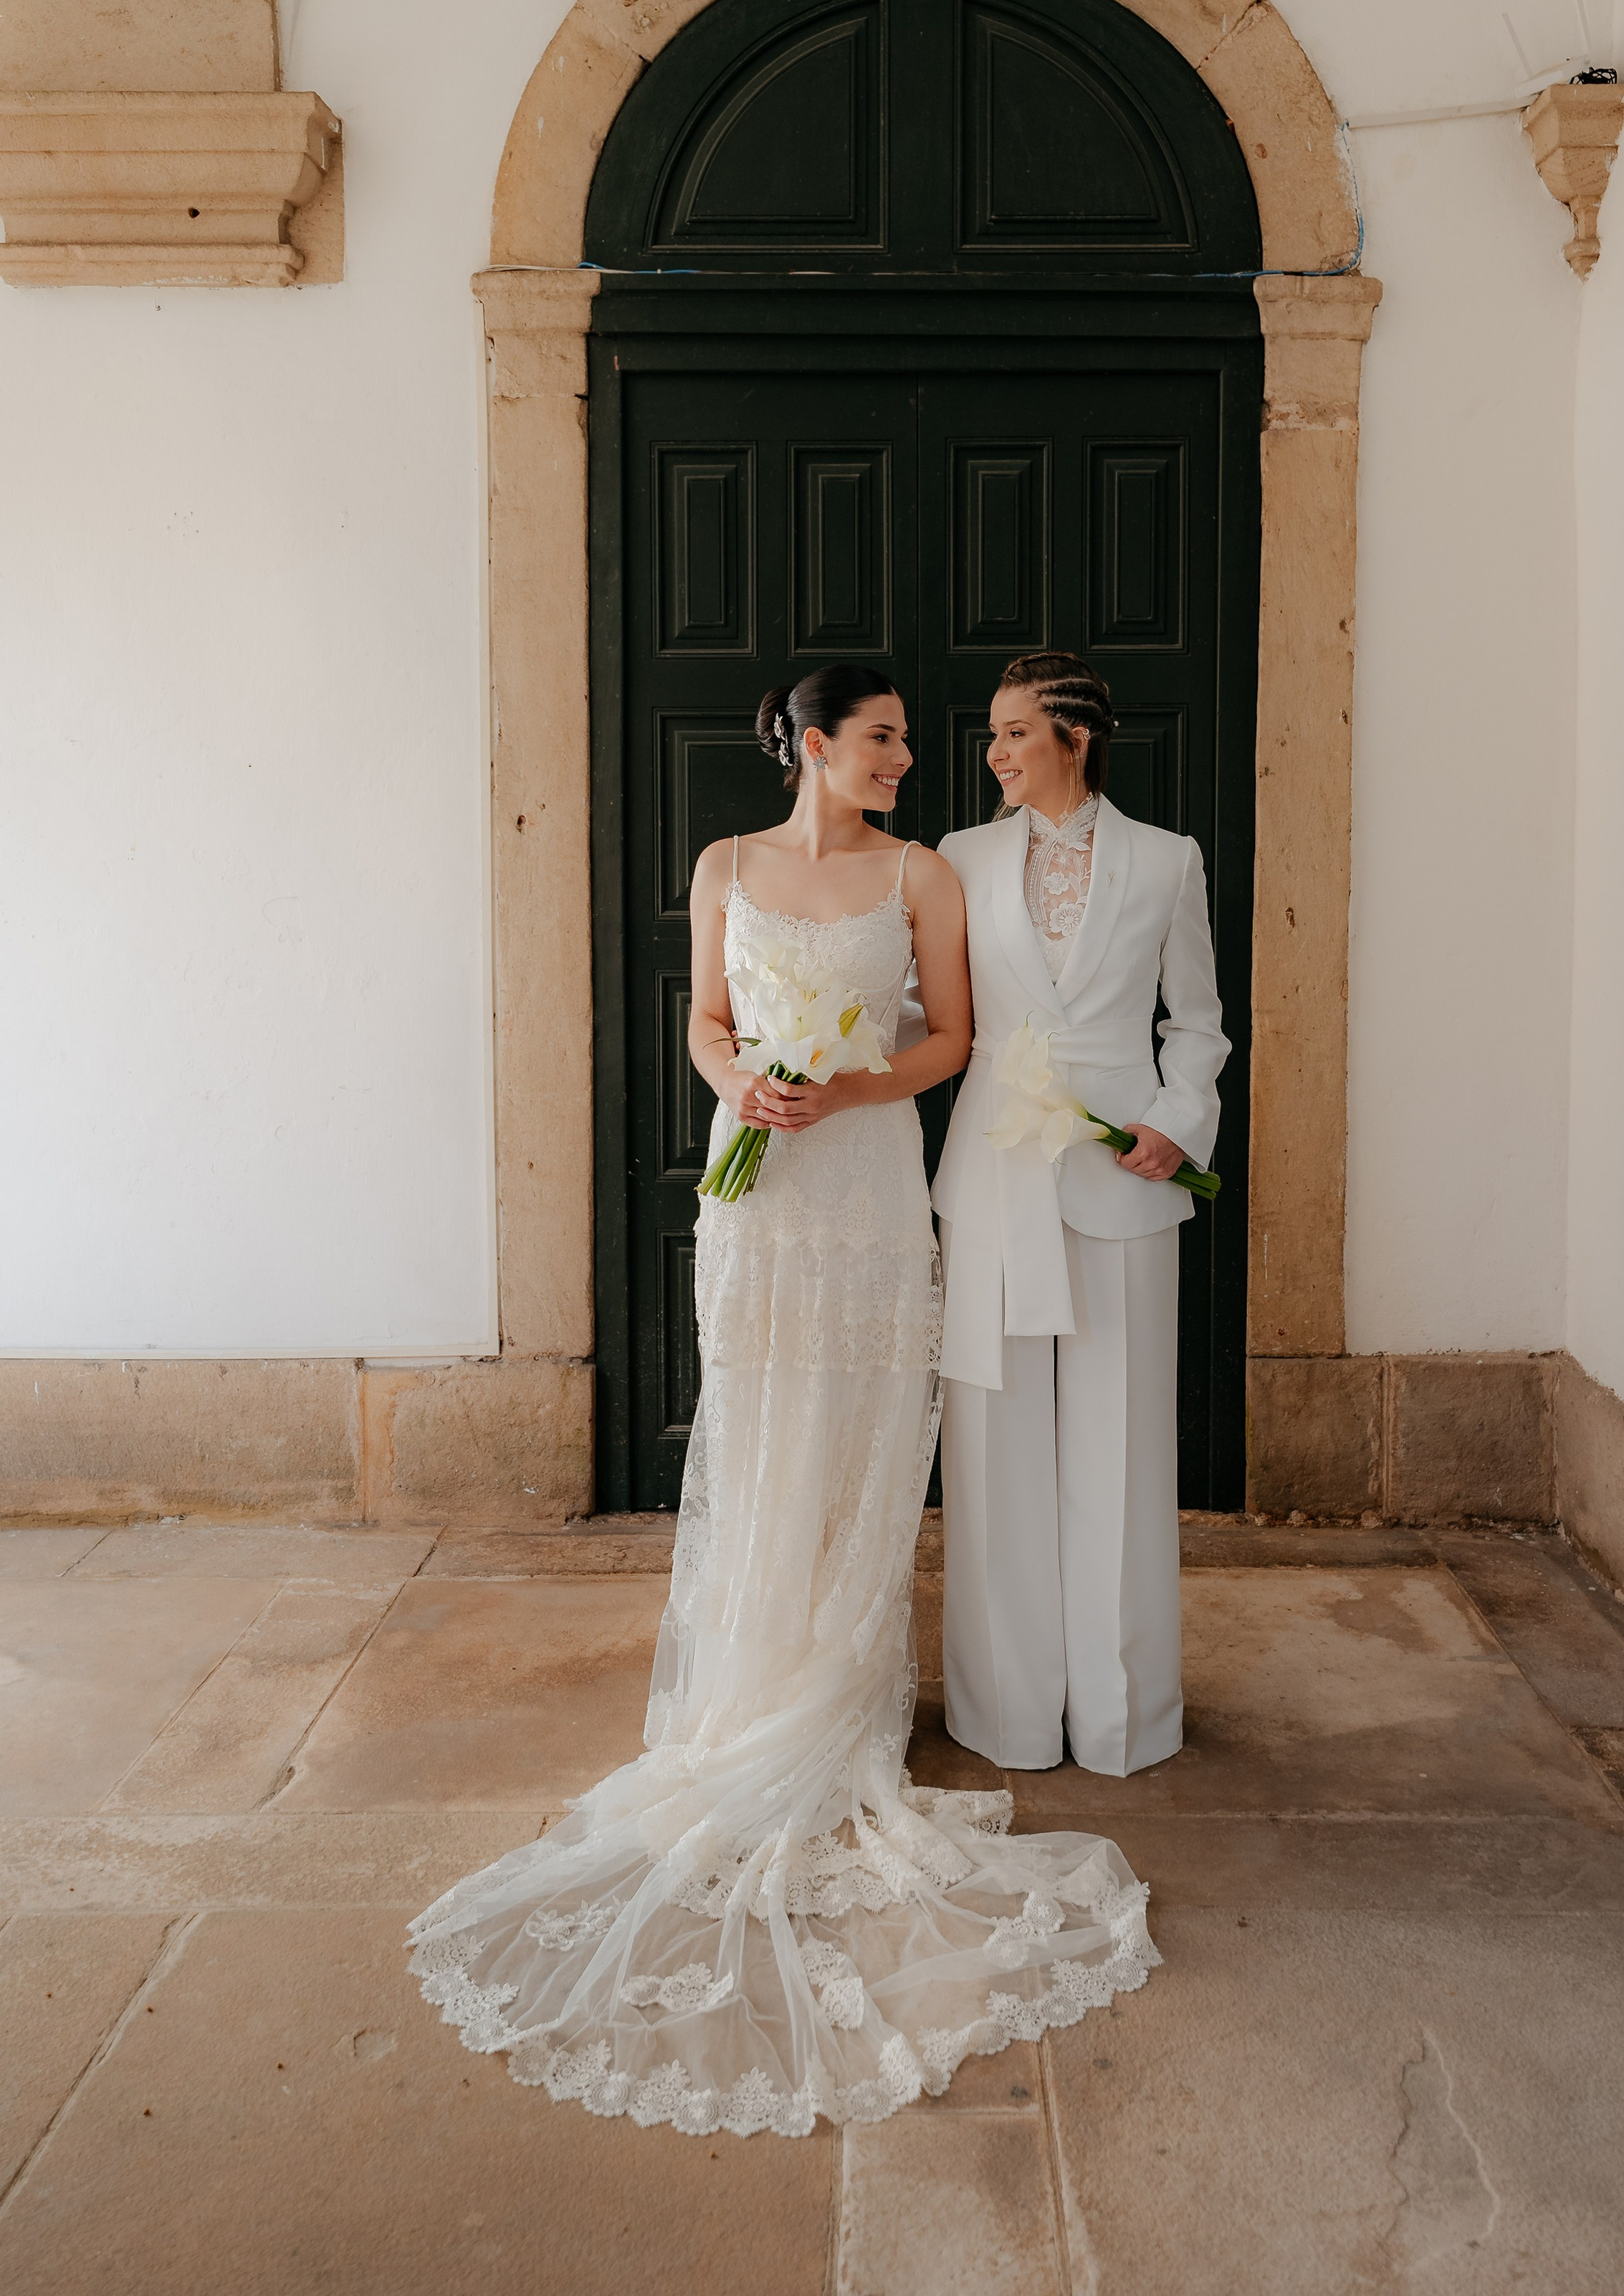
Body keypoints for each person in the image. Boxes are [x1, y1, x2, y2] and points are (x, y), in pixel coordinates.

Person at [409, 663, 1157, 2136]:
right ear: (813, 744)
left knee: (863, 1444)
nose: (901, 759)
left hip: (870, 1191)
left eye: (900, 745)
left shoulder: (922, 875)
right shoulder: (723, 866)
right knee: (759, 1439)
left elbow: (949, 1041)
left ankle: (839, 1703)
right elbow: (699, 1019)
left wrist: (845, 1087)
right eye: (878, 739)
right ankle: (747, 1690)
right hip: (751, 1199)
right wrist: (739, 1081)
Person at [935, 651, 1231, 1778]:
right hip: (992, 1178)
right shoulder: (959, 859)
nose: (997, 753)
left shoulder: (1166, 862)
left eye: (1016, 733)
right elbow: (928, 1005)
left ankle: (1122, 1719)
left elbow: (1197, 1022)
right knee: (993, 1450)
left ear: (1077, 737)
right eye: (995, 735)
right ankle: (1009, 1712)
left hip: (1125, 1180)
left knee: (1120, 1448)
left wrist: (1177, 1120)